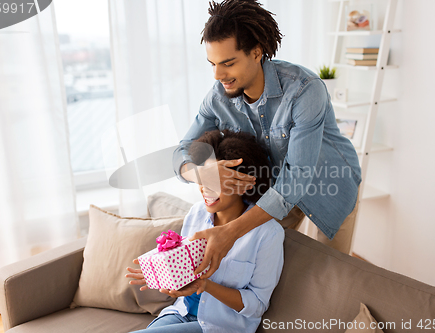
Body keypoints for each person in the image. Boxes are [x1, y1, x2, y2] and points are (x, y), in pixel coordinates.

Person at [173, 0, 361, 278]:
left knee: (331, 278)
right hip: (275, 191)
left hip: (329, 186)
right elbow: (180, 152)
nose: (217, 75)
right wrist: (202, 173)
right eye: (212, 63)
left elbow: (296, 178)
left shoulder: (305, 91)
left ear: (257, 52)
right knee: (275, 273)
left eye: (228, 63)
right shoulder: (217, 97)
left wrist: (230, 231)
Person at [127, 129, 284, 333]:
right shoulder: (196, 213)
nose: (204, 189)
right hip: (179, 313)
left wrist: (205, 285)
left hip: (220, 326)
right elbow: (184, 269)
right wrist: (162, 272)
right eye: (201, 179)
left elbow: (256, 306)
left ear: (243, 183)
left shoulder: (267, 233)